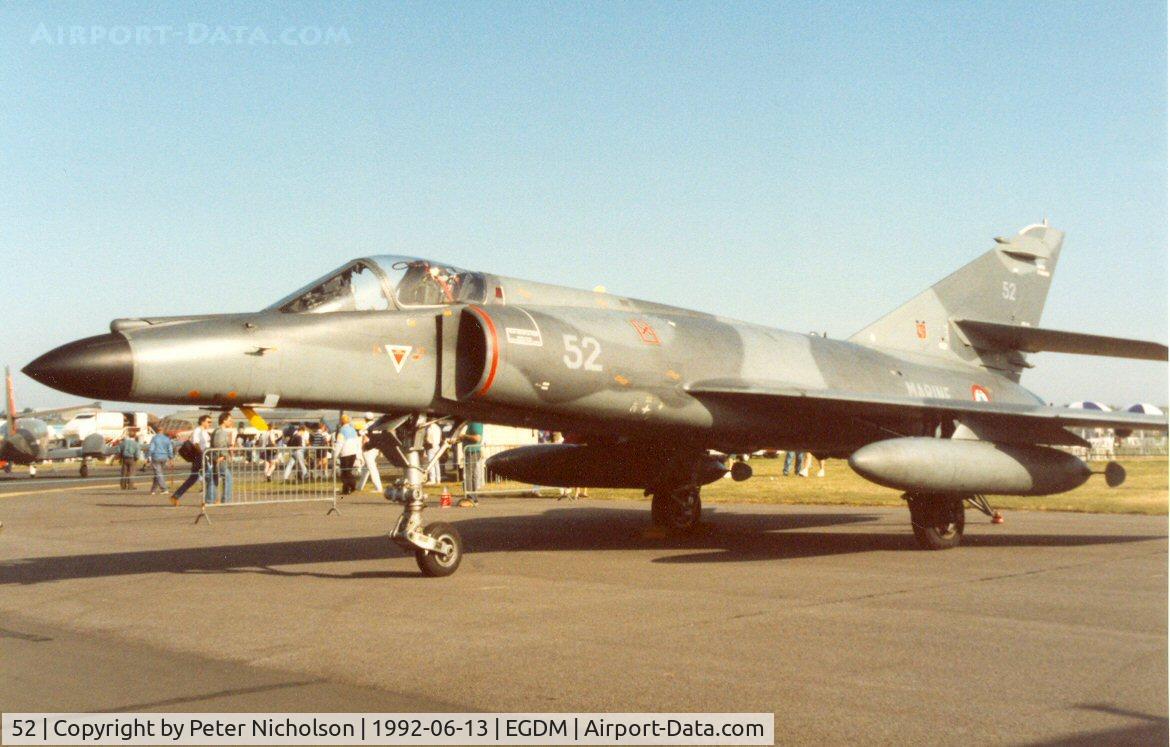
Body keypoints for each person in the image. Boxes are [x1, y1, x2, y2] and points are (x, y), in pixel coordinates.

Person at [170, 414, 212, 506]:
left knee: (193, 478)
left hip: (203, 455)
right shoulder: (198, 431)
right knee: (210, 476)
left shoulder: (204, 431)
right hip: (200, 456)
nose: (210, 423)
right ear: (202, 422)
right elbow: (196, 443)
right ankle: (209, 500)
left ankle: (176, 496)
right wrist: (202, 454)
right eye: (208, 422)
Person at [209, 412, 235, 504]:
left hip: (218, 458)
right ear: (224, 420)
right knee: (228, 478)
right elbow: (218, 445)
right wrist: (221, 456)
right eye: (229, 420)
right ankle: (226, 500)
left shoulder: (217, 431)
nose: (231, 422)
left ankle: (210, 499)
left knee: (215, 479)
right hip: (221, 459)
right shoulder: (221, 432)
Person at [457, 421, 484, 507]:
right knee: (471, 475)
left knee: (468, 475)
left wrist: (464, 436)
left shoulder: (475, 423)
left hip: (472, 452)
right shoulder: (471, 423)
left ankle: (470, 498)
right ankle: (473, 497)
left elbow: (477, 438)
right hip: (471, 452)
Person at [333, 415, 361, 495]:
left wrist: (335, 455)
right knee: (348, 471)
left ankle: (351, 486)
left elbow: (339, 444)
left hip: (345, 453)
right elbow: (357, 442)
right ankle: (347, 488)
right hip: (353, 453)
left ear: (341, 421)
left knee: (345, 472)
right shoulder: (353, 430)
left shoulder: (342, 431)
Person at [145, 429, 174, 495]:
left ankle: (164, 489)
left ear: (157, 431)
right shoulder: (167, 439)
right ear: (163, 431)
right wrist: (171, 458)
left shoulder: (154, 438)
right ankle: (153, 490)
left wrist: (147, 456)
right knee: (158, 473)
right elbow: (170, 449)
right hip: (164, 457)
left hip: (156, 457)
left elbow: (151, 448)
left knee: (158, 473)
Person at [355, 429, 383, 493]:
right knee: (366, 469)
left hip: (368, 450)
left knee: (372, 468)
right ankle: (359, 486)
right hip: (375, 449)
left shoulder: (367, 428)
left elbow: (361, 435)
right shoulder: (378, 428)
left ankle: (378, 487)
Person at [424, 420, 443, 485]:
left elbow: (428, 439)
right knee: (437, 464)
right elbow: (440, 438)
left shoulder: (429, 428)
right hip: (437, 446)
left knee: (431, 463)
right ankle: (438, 479)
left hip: (431, 446)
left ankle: (432, 479)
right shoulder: (438, 427)